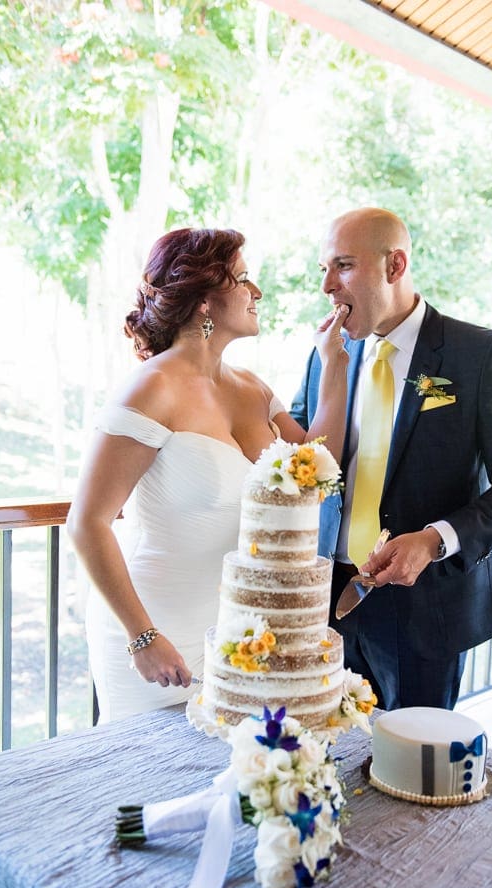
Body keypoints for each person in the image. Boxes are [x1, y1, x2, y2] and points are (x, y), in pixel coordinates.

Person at [67, 227, 348, 723]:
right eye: (244, 279)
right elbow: (87, 522)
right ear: (203, 301)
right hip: (151, 623)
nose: (257, 292)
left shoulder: (253, 389)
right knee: (142, 780)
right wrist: (143, 637)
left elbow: (314, 472)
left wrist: (333, 366)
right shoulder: (151, 389)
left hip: (229, 630)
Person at [290, 207, 492, 711]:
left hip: (427, 609)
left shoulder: (478, 355)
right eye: (323, 269)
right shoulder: (325, 354)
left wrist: (436, 540)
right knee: (324, 758)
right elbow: (303, 464)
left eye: (343, 265)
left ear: (395, 265)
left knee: (412, 772)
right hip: (327, 602)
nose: (327, 286)